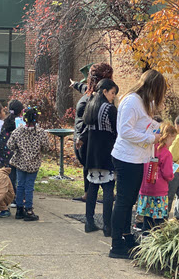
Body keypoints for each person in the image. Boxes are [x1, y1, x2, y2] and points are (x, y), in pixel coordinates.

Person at [109, 69, 167, 259]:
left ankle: (126, 236)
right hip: (127, 158)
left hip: (137, 157)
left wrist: (153, 134)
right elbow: (125, 131)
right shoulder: (132, 101)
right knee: (124, 202)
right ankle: (116, 244)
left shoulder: (143, 102)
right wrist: (151, 138)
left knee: (129, 202)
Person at [70, 63, 114, 203]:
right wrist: (76, 84)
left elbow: (89, 124)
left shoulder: (95, 101)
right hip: (87, 139)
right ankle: (92, 195)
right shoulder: (99, 96)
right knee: (93, 171)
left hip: (88, 141)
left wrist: (81, 137)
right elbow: (86, 88)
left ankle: (96, 196)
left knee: (94, 172)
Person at [82, 78, 119, 237]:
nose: (113, 96)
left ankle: (89, 221)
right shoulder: (109, 109)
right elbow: (117, 130)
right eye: (112, 93)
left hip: (91, 151)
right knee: (108, 188)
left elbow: (85, 128)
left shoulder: (90, 105)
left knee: (92, 187)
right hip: (107, 151)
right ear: (105, 92)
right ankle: (107, 226)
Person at [7, 106, 50, 221]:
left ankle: (19, 209)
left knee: (20, 184)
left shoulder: (18, 131)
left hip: (20, 162)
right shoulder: (40, 133)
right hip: (34, 163)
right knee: (29, 186)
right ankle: (29, 209)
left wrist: (18, 150)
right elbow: (46, 147)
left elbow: (10, 145)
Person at [137, 123, 177, 233]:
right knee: (160, 219)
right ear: (168, 136)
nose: (172, 142)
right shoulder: (166, 154)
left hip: (145, 188)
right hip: (159, 191)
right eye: (172, 140)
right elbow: (168, 174)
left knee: (147, 216)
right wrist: (172, 175)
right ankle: (158, 239)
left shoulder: (149, 149)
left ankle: (145, 237)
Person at [0, 99, 24, 203]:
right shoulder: (20, 123)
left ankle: (11, 197)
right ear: (21, 110)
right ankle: (18, 198)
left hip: (6, 155)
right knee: (20, 178)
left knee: (11, 177)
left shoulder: (5, 122)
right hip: (18, 155)